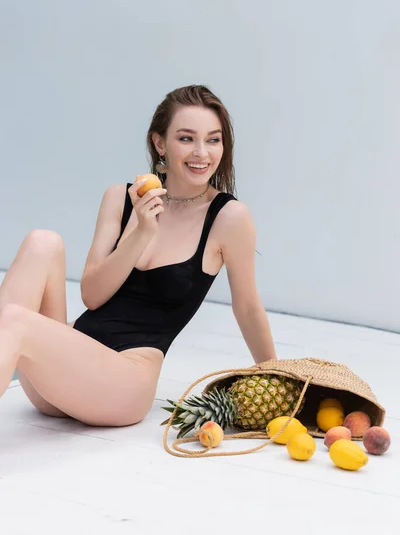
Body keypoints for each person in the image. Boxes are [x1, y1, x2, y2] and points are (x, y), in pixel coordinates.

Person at [0, 85, 276, 428]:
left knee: (14, 319)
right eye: (186, 138)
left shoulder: (228, 217)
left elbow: (247, 306)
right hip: (61, 375)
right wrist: (141, 231)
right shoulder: (121, 198)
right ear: (160, 143)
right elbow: (92, 295)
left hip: (121, 384)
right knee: (42, 242)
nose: (202, 153)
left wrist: (278, 380)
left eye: (214, 139)